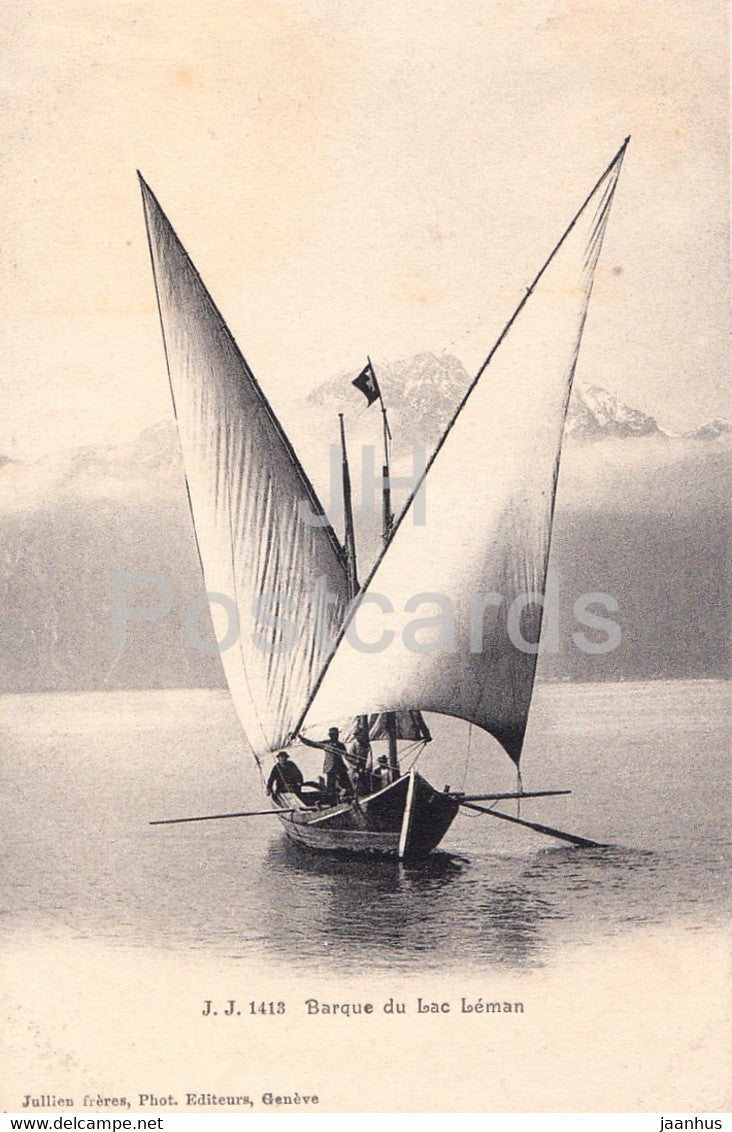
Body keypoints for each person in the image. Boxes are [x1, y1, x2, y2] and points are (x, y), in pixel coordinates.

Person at [298, 727, 353, 803]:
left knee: (347, 785)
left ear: (338, 735)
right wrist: (301, 738)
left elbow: (346, 756)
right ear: (329, 735)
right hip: (330, 768)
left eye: (335, 734)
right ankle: (332, 803)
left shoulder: (341, 745)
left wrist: (355, 763)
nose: (334, 736)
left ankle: (350, 799)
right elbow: (312, 743)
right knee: (331, 788)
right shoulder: (326, 744)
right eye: (332, 734)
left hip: (340, 767)